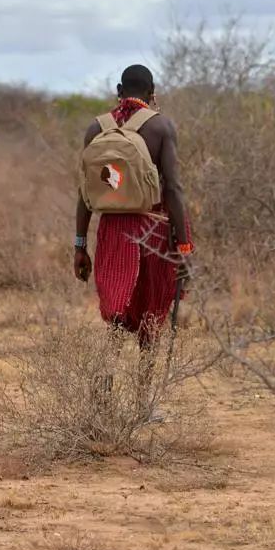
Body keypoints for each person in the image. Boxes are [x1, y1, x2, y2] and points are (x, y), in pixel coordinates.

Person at [74, 64, 193, 345]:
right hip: (154, 228)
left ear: (119, 91)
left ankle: (104, 381)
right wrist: (184, 246)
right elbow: (174, 189)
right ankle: (145, 389)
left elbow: (86, 192)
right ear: (152, 94)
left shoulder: (96, 128)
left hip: (113, 230)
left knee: (116, 315)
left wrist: (80, 246)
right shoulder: (161, 126)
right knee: (151, 315)